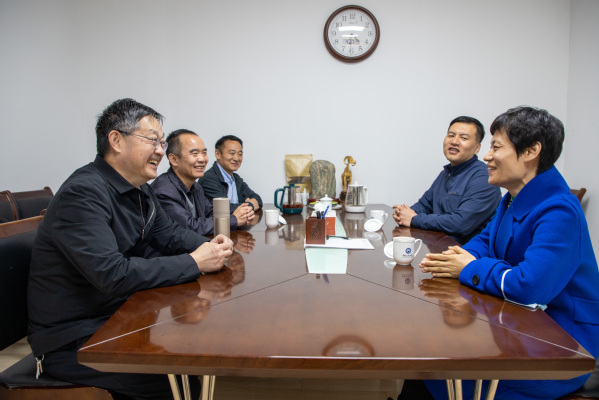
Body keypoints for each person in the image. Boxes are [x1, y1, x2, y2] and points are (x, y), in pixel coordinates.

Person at [27, 98, 234, 399]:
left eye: (162, 143)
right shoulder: (83, 193)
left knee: (190, 360)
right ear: (116, 141)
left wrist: (210, 246)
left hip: (117, 317)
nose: (161, 151)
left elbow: (170, 234)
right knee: (176, 378)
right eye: (153, 141)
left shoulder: (140, 190)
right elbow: (112, 274)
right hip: (73, 339)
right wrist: (194, 262)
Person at [412, 106, 599, 400]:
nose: (487, 156)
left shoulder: (560, 210)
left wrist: (468, 268)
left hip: (562, 348)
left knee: (441, 369)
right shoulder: (513, 197)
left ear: (531, 151)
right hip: (519, 327)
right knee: (427, 360)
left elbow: (530, 286)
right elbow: (485, 241)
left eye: (496, 147)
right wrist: (456, 257)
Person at [393, 116, 501, 244]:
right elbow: (424, 205)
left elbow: (460, 223)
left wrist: (414, 219)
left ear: (477, 148)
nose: (454, 141)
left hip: (464, 252)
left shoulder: (483, 177)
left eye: (464, 138)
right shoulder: (446, 173)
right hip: (438, 246)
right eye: (451, 135)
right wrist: (403, 214)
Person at [151, 129, 254, 237]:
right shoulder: (164, 191)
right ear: (174, 159)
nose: (202, 159)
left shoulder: (196, 187)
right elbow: (189, 227)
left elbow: (211, 213)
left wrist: (242, 214)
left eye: (204, 153)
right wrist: (233, 219)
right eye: (194, 153)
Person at [199, 135, 263, 212]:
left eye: (240, 154)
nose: (236, 158)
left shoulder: (236, 178)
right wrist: (251, 205)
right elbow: (222, 209)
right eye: (232, 153)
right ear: (218, 154)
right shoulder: (208, 179)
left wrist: (248, 205)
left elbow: (258, 200)